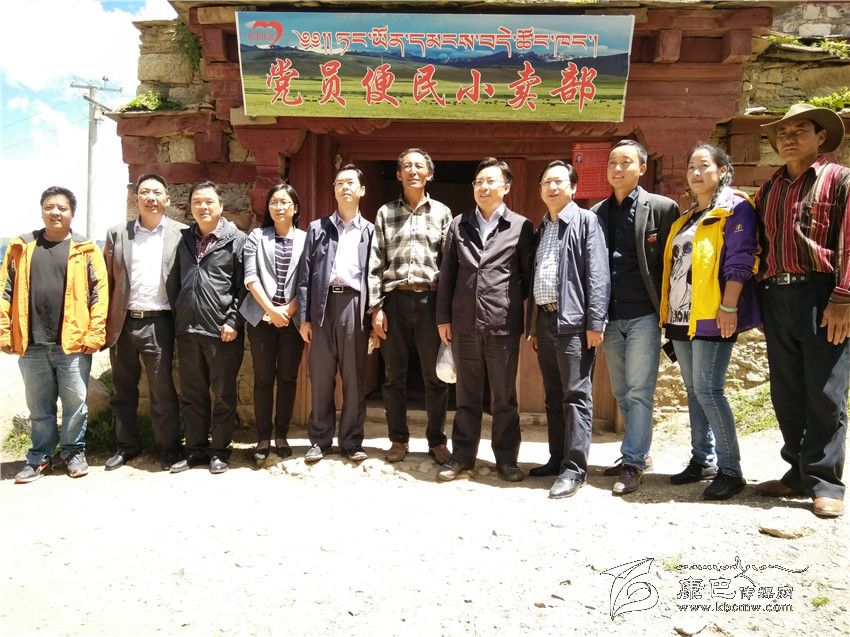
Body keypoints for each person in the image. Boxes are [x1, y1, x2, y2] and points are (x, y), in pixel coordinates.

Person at [754, 103, 849, 518]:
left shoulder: (840, 180)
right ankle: (797, 472)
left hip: (823, 295)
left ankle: (826, 482)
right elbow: (759, 247)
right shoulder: (769, 189)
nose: (788, 138)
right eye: (782, 132)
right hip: (777, 296)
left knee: (826, 392)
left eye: (800, 130)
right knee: (786, 391)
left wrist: (843, 298)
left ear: (820, 136)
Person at [659, 143, 760, 500]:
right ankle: (702, 459)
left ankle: (731, 470)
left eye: (704, 165)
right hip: (680, 316)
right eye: (691, 167)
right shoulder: (686, 218)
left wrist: (729, 306)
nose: (696, 173)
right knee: (693, 391)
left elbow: (741, 258)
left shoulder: (735, 207)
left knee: (709, 390)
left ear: (722, 171)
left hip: (712, 314)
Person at [435, 157, 534, 482]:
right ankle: (462, 457)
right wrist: (443, 318)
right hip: (464, 324)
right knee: (466, 397)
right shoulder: (459, 224)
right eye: (479, 182)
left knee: (504, 398)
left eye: (491, 181)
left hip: (502, 325)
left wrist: (510, 304)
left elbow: (527, 277)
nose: (483, 187)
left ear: (506, 187)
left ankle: (506, 460)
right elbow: (448, 275)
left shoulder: (520, 226)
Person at [1, 186, 108, 483]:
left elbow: (100, 293)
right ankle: (40, 456)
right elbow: (5, 291)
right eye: (49, 207)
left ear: (72, 213)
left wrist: (95, 333)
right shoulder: (22, 247)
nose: (55, 212)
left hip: (73, 342)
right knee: (39, 406)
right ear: (41, 211)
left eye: (62, 207)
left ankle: (73, 452)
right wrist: (5, 332)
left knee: (76, 404)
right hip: (32, 342)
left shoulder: (86, 249)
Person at [592, 140, 679, 496]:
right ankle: (638, 452)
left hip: (644, 313)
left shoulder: (661, 208)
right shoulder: (596, 213)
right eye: (612, 162)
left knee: (640, 390)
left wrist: (669, 312)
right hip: (610, 316)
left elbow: (673, 263)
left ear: (642, 168)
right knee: (620, 391)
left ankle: (633, 461)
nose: (617, 168)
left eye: (625, 162)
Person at [526, 161, 610, 499]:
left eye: (559, 181)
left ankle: (575, 469)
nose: (552, 187)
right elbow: (537, 277)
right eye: (546, 182)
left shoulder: (586, 221)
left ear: (573, 188)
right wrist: (533, 326)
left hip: (574, 323)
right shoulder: (542, 226)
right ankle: (557, 458)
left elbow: (598, 274)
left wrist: (595, 322)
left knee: (576, 395)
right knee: (553, 395)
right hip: (545, 320)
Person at [368, 148, 452, 465]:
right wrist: (376, 308)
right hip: (395, 301)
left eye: (419, 166)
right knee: (393, 375)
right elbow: (375, 263)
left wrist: (446, 312)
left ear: (429, 173)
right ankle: (398, 439)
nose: (413, 171)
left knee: (436, 376)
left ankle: (437, 440)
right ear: (398, 174)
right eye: (406, 166)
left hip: (431, 301)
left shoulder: (442, 213)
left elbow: (449, 265)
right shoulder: (385, 213)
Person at [103, 173, 186, 471]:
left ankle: (169, 447)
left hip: (161, 321)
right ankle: (127, 445)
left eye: (157, 192)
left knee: (162, 390)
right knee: (123, 388)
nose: (151, 197)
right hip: (124, 321)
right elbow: (107, 281)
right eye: (145, 192)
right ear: (135, 198)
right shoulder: (118, 233)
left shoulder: (181, 234)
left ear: (167, 199)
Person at [297, 164, 374, 463]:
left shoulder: (370, 231)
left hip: (354, 305)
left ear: (361, 190)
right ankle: (320, 439)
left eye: (350, 182)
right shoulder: (317, 229)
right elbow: (305, 276)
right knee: (321, 375)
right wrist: (304, 318)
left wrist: (374, 314)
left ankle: (352, 441)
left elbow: (376, 276)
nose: (345, 187)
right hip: (322, 305)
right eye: (339, 182)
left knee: (354, 377)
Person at [169, 181, 247, 475]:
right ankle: (196, 450)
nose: (203, 207)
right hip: (188, 329)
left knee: (223, 394)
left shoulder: (236, 240)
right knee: (192, 395)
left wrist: (233, 321)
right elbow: (175, 281)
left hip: (222, 331)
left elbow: (244, 287)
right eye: (197, 202)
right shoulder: (185, 239)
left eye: (208, 202)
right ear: (190, 207)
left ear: (221, 206)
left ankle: (220, 451)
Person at [240, 183, 306, 466]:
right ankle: (263, 437)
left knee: (288, 379)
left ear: (295, 208)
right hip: (261, 318)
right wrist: (271, 310)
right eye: (274, 202)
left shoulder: (307, 239)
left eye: (284, 202)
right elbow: (250, 277)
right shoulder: (257, 236)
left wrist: (287, 311)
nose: (279, 207)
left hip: (292, 319)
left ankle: (281, 435)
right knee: (263, 379)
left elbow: (307, 280)